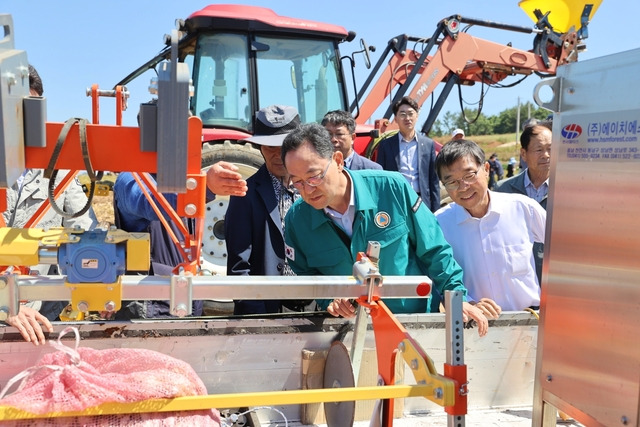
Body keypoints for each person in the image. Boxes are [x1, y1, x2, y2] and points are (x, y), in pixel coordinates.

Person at [281, 123, 492, 336]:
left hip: (413, 325)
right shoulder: (297, 220)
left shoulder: (392, 189)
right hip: (352, 332)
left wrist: (457, 299)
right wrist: (329, 299)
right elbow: (306, 273)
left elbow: (435, 250)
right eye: (297, 182)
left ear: (337, 161)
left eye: (314, 177)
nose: (307, 190)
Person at [3, 64, 98, 345]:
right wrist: (5, 305)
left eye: (27, 112)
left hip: (38, 325)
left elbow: (85, 235)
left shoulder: (59, 179)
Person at [434, 139, 546, 311]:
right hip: (476, 326)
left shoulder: (523, 208)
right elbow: (437, 277)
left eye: (469, 175)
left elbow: (564, 250)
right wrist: (467, 302)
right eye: (452, 182)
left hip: (529, 321)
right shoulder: (440, 224)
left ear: (486, 170)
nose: (463, 187)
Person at [225, 105, 314, 314]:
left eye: (284, 148)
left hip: (315, 306)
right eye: (269, 147)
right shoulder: (244, 194)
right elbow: (239, 266)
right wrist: (256, 316)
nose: (277, 155)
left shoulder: (317, 189)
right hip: (267, 309)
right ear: (260, 149)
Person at [494, 122, 552, 284]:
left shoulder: (568, 190)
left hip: (555, 279)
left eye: (551, 149)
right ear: (523, 154)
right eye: (539, 149)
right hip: (515, 281)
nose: (546, 155)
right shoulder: (503, 190)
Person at [375, 97, 440, 212]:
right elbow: (381, 178)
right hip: (396, 202)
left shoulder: (428, 144)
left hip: (422, 202)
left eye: (411, 114)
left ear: (417, 116)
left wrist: (436, 211)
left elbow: (433, 181)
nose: (407, 118)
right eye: (403, 114)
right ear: (396, 119)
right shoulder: (386, 145)